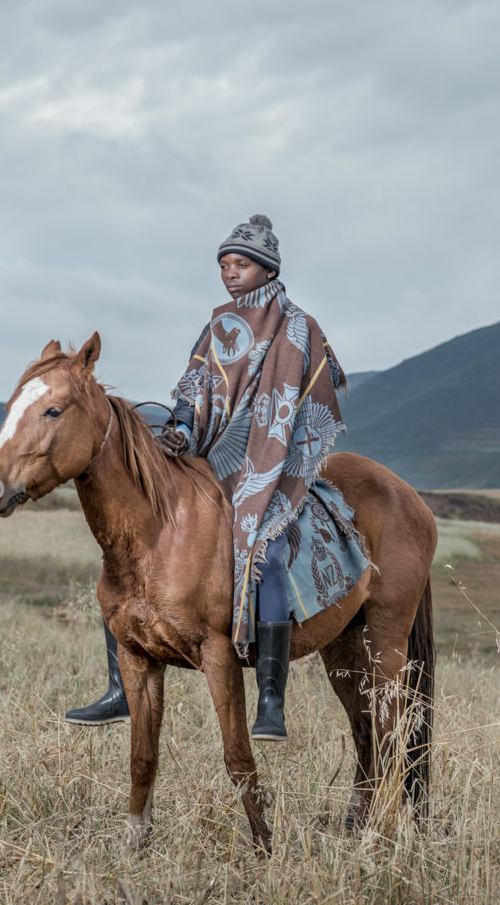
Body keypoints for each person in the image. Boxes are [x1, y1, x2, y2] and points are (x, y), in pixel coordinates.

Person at [66, 214, 354, 741]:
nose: (229, 273)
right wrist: (178, 427)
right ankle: (117, 688)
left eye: (240, 263)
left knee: (265, 551)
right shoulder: (218, 322)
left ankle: (270, 698)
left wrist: (271, 448)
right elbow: (196, 384)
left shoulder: (298, 326)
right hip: (211, 456)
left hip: (272, 455)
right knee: (129, 542)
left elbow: (311, 392)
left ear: (266, 268)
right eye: (223, 264)